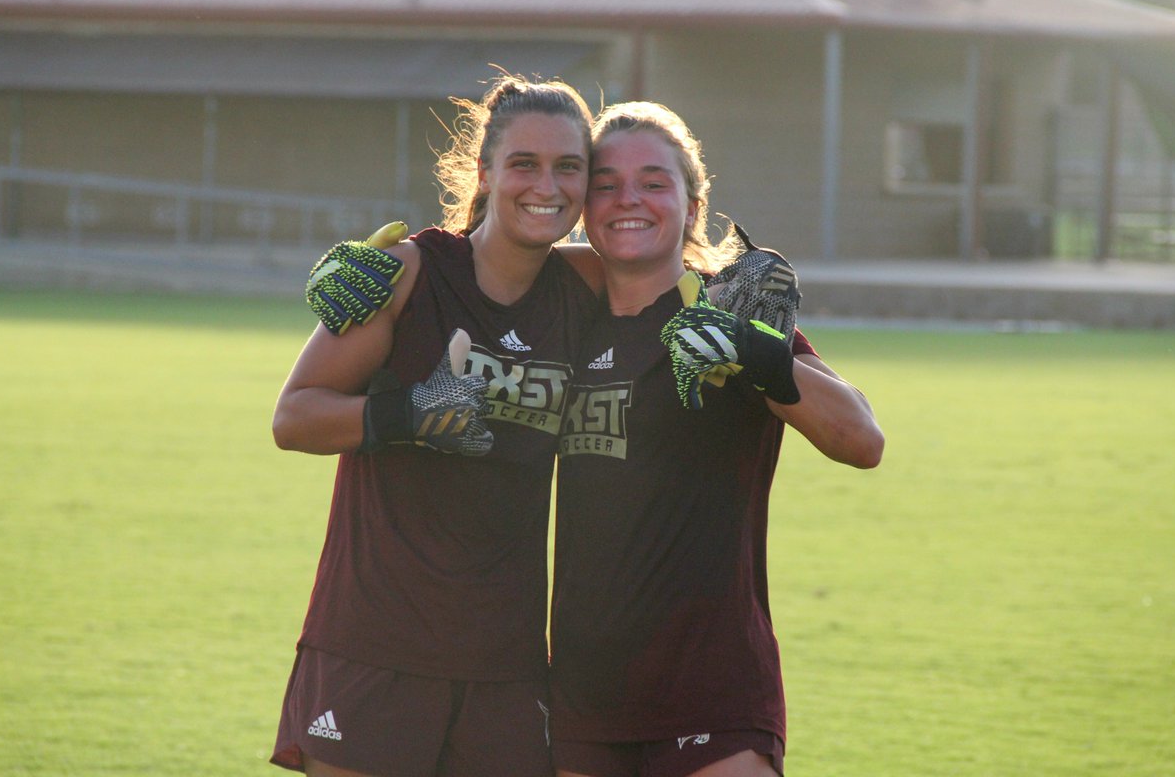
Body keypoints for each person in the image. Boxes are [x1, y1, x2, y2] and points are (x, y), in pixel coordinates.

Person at [269, 74, 604, 777]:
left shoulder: (587, 289)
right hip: (374, 647)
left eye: (568, 167)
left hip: (506, 664)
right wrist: (410, 414)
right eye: (524, 164)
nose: (547, 186)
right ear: (485, 171)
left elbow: (678, 265)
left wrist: (750, 274)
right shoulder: (410, 274)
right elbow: (294, 417)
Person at [549, 101, 884, 777]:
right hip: (584, 693)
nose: (628, 199)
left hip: (713, 687)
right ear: (584, 210)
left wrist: (761, 360)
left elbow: (861, 437)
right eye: (606, 184)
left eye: (653, 182)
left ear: (694, 207)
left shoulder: (726, 314)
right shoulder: (562, 322)